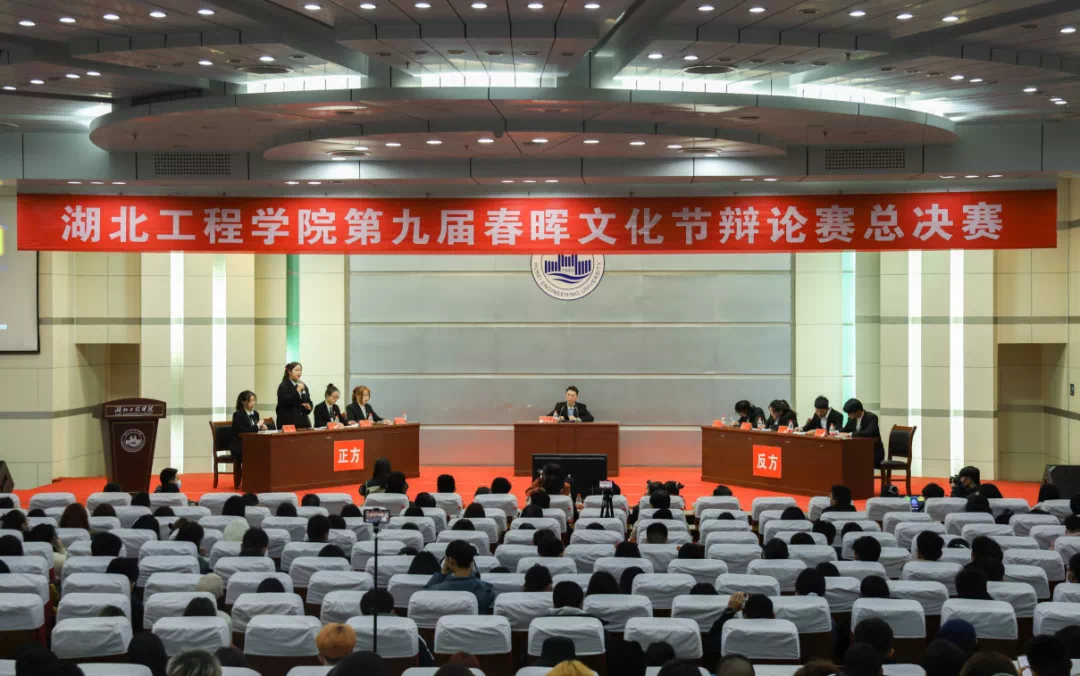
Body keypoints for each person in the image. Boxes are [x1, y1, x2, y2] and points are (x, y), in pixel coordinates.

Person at [423, 540, 496, 613]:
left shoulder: (435, 591)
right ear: (472, 562)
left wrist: (442, 574)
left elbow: (423, 596)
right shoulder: (487, 590)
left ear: (449, 561)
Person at [230, 390, 266, 484]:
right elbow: (243, 431)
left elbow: (255, 429)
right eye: (250, 401)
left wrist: (262, 427)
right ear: (243, 401)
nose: (252, 403)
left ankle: (260, 480)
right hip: (239, 446)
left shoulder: (255, 414)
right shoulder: (238, 415)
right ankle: (249, 481)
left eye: (254, 401)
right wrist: (257, 425)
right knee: (254, 454)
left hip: (252, 444)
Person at [840, 398, 884, 467]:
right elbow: (845, 430)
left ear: (858, 411)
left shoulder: (872, 417)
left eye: (850, 413)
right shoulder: (851, 419)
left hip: (873, 451)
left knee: (854, 459)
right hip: (859, 450)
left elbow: (869, 433)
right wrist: (836, 432)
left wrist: (850, 434)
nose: (848, 415)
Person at [276, 362, 312, 429]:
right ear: (290, 372)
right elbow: (286, 402)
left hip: (303, 422)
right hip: (288, 423)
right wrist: (297, 391)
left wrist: (309, 406)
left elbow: (308, 400)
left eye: (300, 370)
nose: (299, 372)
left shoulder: (302, 384)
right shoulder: (283, 386)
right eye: (297, 370)